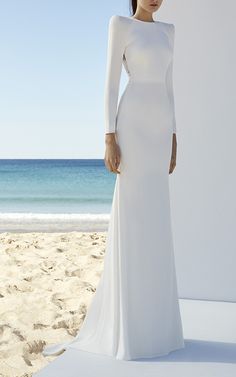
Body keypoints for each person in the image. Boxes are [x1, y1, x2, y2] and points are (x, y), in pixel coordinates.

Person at [42, 0, 185, 361]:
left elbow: (168, 85)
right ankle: (131, 327)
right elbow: (109, 82)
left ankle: (158, 328)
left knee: (156, 220)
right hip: (133, 125)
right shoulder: (120, 24)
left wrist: (173, 135)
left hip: (159, 127)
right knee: (134, 216)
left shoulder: (169, 31)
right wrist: (109, 136)